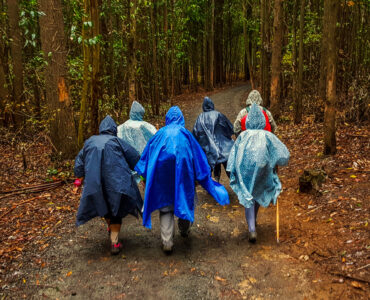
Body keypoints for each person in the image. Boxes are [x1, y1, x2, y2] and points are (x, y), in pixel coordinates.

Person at [135, 106, 230, 253]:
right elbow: (198, 157)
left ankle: (167, 242)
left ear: (167, 119)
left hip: (162, 177)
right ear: (181, 119)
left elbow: (146, 158)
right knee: (185, 200)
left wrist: (144, 178)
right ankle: (184, 229)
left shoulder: (159, 134)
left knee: (166, 207)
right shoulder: (186, 135)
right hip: (184, 174)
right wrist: (201, 176)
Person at [74, 116, 143, 255]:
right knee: (116, 209)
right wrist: (143, 173)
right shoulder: (117, 141)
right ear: (113, 130)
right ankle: (114, 242)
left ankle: (111, 228)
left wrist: (78, 180)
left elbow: (79, 161)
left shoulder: (90, 142)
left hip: (95, 182)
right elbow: (134, 157)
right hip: (116, 182)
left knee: (103, 204)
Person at [226, 104, 289, 243]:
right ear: (262, 120)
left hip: (245, 171)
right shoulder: (267, 135)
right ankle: (253, 222)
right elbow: (284, 154)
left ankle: (252, 228)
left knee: (248, 195)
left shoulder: (243, 136)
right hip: (263, 170)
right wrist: (276, 160)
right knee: (257, 192)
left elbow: (233, 156)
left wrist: (232, 170)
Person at [193, 96, 234, 182]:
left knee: (213, 163)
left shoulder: (200, 118)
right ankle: (236, 185)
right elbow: (230, 128)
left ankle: (215, 182)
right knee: (228, 168)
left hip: (210, 150)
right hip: (224, 148)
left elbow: (195, 133)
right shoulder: (219, 115)